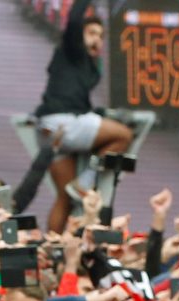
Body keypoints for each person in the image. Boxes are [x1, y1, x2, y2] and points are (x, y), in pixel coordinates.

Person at [32, 0, 135, 231]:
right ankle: (85, 182)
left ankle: (52, 249)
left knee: (64, 199)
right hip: (62, 123)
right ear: (79, 34)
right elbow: (75, 19)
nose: (96, 39)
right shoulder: (71, 49)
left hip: (54, 131)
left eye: (100, 35)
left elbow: (79, 100)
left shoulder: (87, 65)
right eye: (91, 33)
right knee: (123, 136)